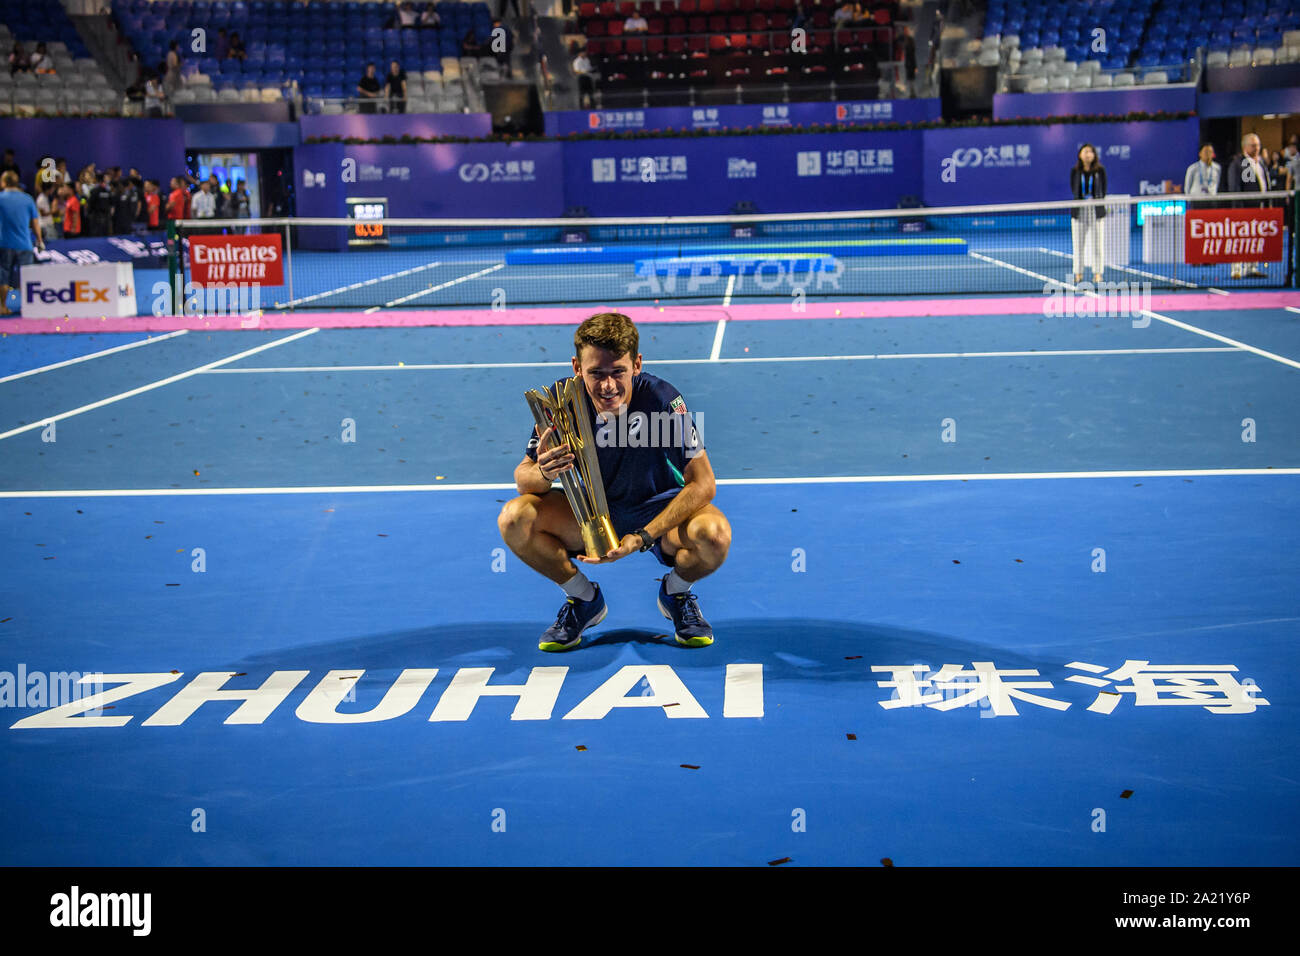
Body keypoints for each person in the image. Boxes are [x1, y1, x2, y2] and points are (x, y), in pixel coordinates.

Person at [497, 312, 730, 652]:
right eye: (596, 373)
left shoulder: (664, 402)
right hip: (590, 517)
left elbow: (704, 483)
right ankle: (583, 598)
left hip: (658, 515)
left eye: (617, 371)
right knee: (515, 518)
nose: (608, 386)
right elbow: (524, 479)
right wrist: (544, 472)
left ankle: (676, 593)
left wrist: (643, 536)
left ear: (636, 364)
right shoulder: (562, 405)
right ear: (577, 367)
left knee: (715, 535)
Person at [0, 170, 45, 316]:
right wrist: (39, 240)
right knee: (26, 277)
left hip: (4, 244)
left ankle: (2, 306)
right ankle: (28, 308)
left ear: (3, 183)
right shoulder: (27, 199)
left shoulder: (0, 198)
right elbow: (35, 222)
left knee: (4, 276)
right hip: (25, 244)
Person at [1225, 132, 1269, 279]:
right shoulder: (1238, 163)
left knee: (1255, 239)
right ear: (1245, 147)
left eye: (1258, 145)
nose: (1256, 148)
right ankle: (1236, 269)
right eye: (1253, 145)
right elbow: (1234, 187)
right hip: (1244, 210)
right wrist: (1239, 209)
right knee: (1240, 240)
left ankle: (1251, 268)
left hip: (1260, 209)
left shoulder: (1261, 162)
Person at [1069, 142, 1106, 284]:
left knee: (1098, 243)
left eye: (1090, 151)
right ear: (1080, 155)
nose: (1087, 154)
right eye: (1085, 151)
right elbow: (1074, 189)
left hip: (1096, 210)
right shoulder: (1075, 171)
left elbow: (1104, 189)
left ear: (1094, 155)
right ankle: (1078, 273)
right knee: (1078, 244)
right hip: (1079, 210)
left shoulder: (1100, 171)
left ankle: (1097, 273)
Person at [86, 172, 114, 236]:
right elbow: (112, 203)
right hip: (106, 216)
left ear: (96, 180)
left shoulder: (94, 191)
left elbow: (90, 203)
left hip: (96, 217)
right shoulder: (107, 191)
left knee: (96, 235)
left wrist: (89, 213)